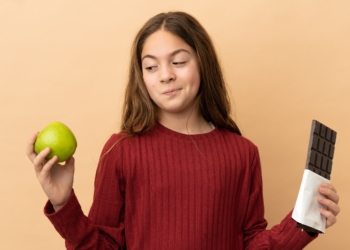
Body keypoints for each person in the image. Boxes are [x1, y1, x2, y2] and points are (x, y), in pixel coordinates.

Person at [26, 11, 340, 249]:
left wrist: (303, 222)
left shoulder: (242, 153)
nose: (164, 76)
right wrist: (63, 204)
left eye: (178, 61)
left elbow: (251, 242)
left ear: (202, 63)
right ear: (142, 77)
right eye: (151, 66)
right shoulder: (121, 150)